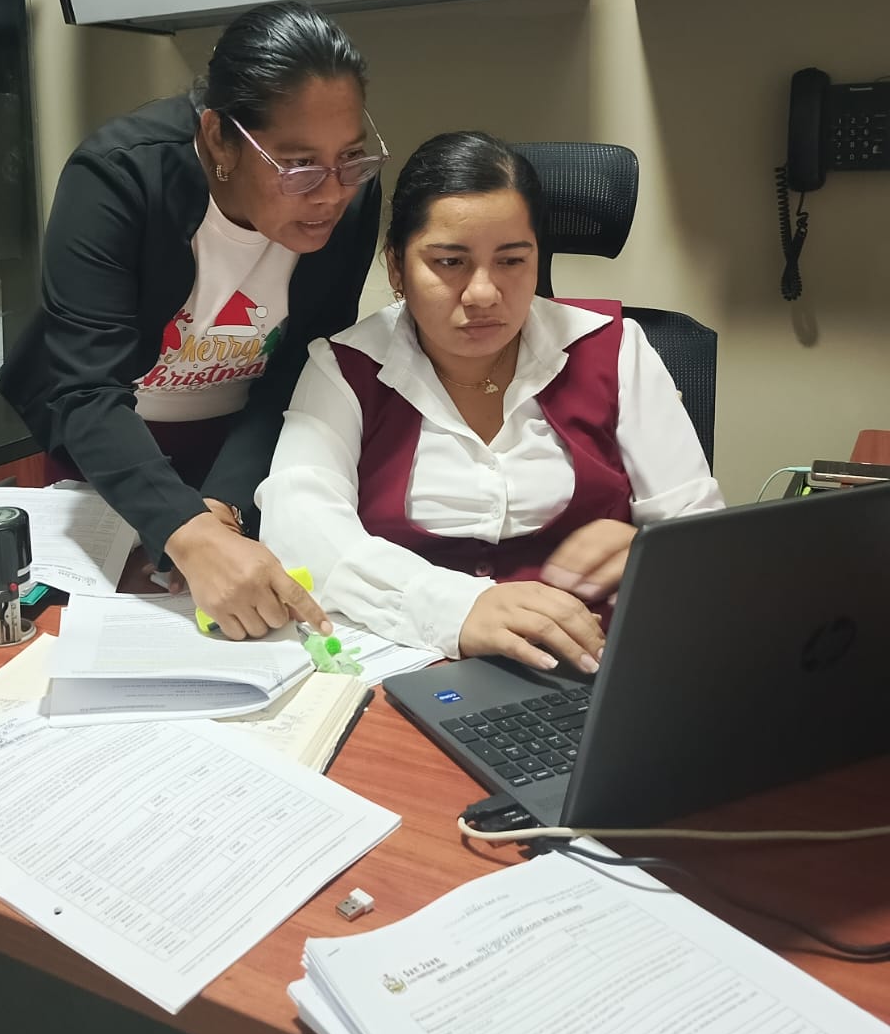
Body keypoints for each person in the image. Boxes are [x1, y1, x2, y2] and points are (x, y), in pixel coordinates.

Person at [257, 130, 723, 671]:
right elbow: (299, 533)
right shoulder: (345, 367)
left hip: (594, 664)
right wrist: (457, 607)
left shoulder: (616, 348)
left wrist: (650, 552)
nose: (483, 293)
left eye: (512, 261)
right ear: (397, 268)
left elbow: (700, 539)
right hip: (418, 667)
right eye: (449, 262)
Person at [0, 2, 386, 640]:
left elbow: (301, 366)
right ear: (219, 139)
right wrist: (187, 529)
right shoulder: (120, 176)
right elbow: (86, 388)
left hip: (244, 445)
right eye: (298, 166)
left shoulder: (349, 197)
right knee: (95, 631)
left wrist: (223, 505)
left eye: (351, 158)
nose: (331, 192)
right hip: (113, 446)